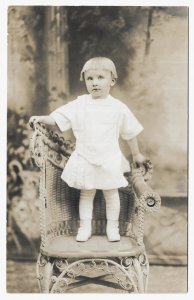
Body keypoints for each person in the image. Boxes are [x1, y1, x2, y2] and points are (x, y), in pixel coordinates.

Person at [29, 57, 146, 242]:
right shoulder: (80, 104)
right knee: (86, 193)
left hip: (109, 157)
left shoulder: (118, 107)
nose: (95, 82)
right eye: (90, 78)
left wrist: (137, 153)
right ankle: (85, 226)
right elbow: (60, 116)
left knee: (111, 193)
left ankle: (112, 226)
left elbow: (130, 132)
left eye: (100, 77)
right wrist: (44, 118)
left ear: (112, 81)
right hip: (85, 156)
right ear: (85, 81)